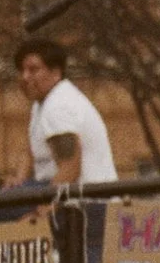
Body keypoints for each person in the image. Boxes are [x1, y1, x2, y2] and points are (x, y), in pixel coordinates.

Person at [16, 37, 117, 188]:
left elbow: (70, 168)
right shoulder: (43, 102)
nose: (25, 77)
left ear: (56, 72)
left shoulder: (58, 106)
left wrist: (43, 209)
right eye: (22, 70)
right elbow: (30, 150)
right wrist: (18, 181)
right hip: (56, 189)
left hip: (87, 199)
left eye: (33, 70)